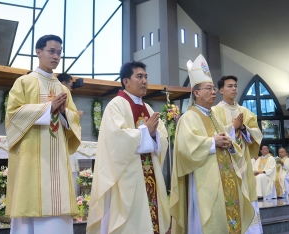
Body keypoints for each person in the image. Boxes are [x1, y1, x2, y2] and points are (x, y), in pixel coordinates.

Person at [170, 54, 259, 234]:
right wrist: (213, 142)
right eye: (208, 88)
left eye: (213, 88)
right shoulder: (189, 117)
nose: (213, 92)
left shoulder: (213, 116)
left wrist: (229, 142)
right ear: (196, 92)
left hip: (223, 179)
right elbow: (186, 149)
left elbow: (225, 137)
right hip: (204, 184)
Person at [5, 35, 81, 234]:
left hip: (57, 158)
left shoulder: (63, 89)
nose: (56, 56)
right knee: (29, 208)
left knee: (58, 210)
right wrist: (47, 109)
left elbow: (73, 120)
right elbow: (13, 115)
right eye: (51, 51)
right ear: (38, 52)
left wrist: (64, 112)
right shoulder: (24, 82)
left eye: (59, 53)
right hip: (32, 160)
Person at [86, 61, 170, 234]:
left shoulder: (147, 107)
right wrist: (145, 132)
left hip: (148, 176)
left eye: (146, 77)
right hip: (127, 178)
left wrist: (153, 135)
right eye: (139, 77)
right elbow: (116, 139)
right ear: (126, 81)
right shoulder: (116, 105)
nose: (145, 81)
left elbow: (162, 137)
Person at [212, 75, 263, 231]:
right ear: (221, 90)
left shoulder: (244, 111)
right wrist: (233, 126)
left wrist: (242, 128)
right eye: (229, 86)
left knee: (247, 192)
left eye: (235, 86)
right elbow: (214, 134)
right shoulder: (214, 111)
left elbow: (256, 134)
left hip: (244, 162)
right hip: (226, 162)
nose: (234, 88)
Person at [57, 73, 84, 196]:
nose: (71, 89)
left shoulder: (69, 99)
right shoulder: (56, 96)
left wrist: (73, 116)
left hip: (66, 140)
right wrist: (73, 116)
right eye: (70, 85)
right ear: (63, 84)